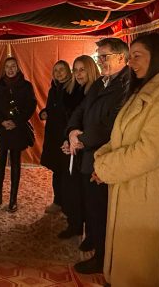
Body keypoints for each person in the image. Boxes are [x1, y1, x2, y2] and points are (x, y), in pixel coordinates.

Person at [93, 33, 159, 287]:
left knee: (145, 273)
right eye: (131, 56)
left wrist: (104, 166)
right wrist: (102, 159)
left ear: (157, 57)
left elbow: (147, 152)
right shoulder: (146, 93)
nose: (131, 62)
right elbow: (121, 138)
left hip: (152, 203)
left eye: (137, 56)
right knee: (131, 269)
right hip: (135, 194)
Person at [67, 38, 130, 274]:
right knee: (90, 205)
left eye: (105, 56)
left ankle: (102, 259)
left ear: (121, 58)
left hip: (105, 158)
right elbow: (80, 110)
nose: (100, 61)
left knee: (101, 211)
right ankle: (93, 240)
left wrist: (81, 140)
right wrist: (72, 132)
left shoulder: (126, 86)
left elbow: (110, 127)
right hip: (88, 156)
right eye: (99, 57)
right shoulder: (100, 83)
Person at [58, 55, 101, 243]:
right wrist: (68, 139)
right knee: (72, 189)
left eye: (82, 69)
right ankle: (74, 224)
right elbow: (70, 119)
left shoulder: (97, 91)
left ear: (91, 69)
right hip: (74, 146)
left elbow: (96, 124)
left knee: (88, 194)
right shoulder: (74, 90)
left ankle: (89, 234)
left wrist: (78, 139)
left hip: (90, 148)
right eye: (75, 70)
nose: (78, 73)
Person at [0, 57, 37, 212]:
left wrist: (16, 121)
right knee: (0, 164)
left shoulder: (26, 86)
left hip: (17, 129)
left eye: (13, 66)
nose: (10, 69)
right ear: (4, 69)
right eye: (7, 66)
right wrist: (1, 121)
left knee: (16, 164)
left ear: (17, 68)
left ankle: (13, 200)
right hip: (2, 129)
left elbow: (31, 105)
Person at [39, 61, 82, 218]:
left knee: (67, 172)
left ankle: (68, 205)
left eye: (61, 70)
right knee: (57, 170)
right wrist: (44, 112)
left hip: (66, 136)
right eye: (55, 70)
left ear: (68, 71)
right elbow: (52, 109)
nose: (58, 73)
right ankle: (57, 201)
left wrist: (68, 137)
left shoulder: (74, 89)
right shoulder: (53, 89)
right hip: (53, 136)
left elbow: (73, 114)